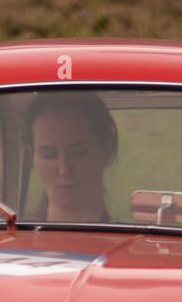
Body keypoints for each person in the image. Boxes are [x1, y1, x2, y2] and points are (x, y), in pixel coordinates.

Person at [25, 91, 117, 223]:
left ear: (106, 150)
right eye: (49, 155)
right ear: (31, 157)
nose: (64, 170)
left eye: (78, 153)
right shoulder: (10, 238)